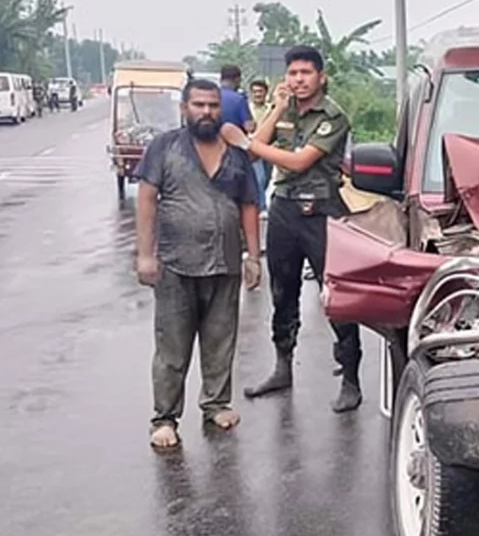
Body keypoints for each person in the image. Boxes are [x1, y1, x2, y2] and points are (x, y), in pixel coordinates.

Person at [220, 45, 363, 413]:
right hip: (284, 208)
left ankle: (351, 377)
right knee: (283, 292)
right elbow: (255, 154)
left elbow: (299, 162)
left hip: (321, 210)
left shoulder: (333, 116)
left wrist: (248, 142)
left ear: (321, 76)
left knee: (336, 296)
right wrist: (277, 109)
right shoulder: (285, 110)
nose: (299, 80)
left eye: (306, 73)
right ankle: (283, 366)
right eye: (293, 74)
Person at [135, 77, 263, 449]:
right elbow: (146, 200)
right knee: (172, 346)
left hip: (224, 262)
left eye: (212, 106)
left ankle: (216, 404)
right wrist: (145, 254)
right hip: (175, 263)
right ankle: (164, 418)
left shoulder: (236, 153)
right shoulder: (164, 147)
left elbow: (249, 206)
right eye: (199, 105)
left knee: (221, 340)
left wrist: (253, 257)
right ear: (184, 108)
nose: (206, 112)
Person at [247, 78, 274, 214]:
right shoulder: (246, 108)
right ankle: (261, 206)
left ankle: (259, 200)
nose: (258, 94)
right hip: (253, 147)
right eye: (255, 92)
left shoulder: (271, 109)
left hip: (269, 148)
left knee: (267, 177)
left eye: (260, 92)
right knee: (259, 177)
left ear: (266, 93)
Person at [218, 65, 255, 133]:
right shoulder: (239, 99)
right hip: (234, 140)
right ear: (237, 79)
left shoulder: (211, 96)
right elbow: (249, 127)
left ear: (220, 79)